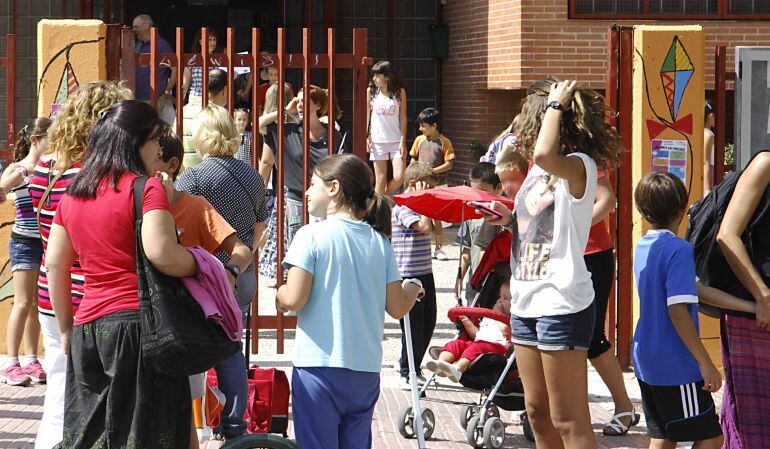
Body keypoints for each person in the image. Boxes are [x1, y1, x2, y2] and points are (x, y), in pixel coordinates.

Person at [479, 78, 621, 449]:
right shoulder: (538, 173)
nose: (525, 124)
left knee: (568, 419)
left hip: (562, 301)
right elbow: (541, 225)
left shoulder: (579, 165)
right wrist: (507, 217)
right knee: (537, 412)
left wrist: (555, 104)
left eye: (534, 116)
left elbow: (544, 154)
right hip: (527, 298)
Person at [45, 100, 194, 449]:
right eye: (156, 139)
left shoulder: (74, 192)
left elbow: (55, 263)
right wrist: (201, 262)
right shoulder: (146, 188)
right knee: (146, 431)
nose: (160, 148)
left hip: (89, 327)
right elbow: (163, 254)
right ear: (135, 142)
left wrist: (66, 328)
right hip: (141, 327)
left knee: (94, 433)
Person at [276, 154, 422, 449]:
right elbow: (396, 307)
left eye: (313, 184)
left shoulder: (310, 235)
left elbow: (294, 298)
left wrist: (280, 294)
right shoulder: (380, 242)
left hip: (318, 367)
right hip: (365, 370)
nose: (306, 191)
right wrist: (414, 288)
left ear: (333, 188)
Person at [31, 81, 132, 449]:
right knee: (78, 397)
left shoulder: (46, 166)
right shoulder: (89, 177)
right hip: (83, 294)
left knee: (59, 387)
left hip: (49, 292)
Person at [154, 131, 252, 449]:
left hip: (184, 324)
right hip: (145, 322)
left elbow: (241, 248)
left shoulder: (195, 206)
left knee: (184, 412)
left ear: (171, 165)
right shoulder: (135, 204)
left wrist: (230, 273)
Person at [175, 104, 268, 440]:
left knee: (191, 345)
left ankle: (193, 421)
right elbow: (259, 227)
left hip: (204, 274)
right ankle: (234, 427)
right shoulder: (253, 176)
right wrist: (242, 259)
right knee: (231, 347)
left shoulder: (194, 177)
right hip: (241, 273)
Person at [632, 172, 723, 449]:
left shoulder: (645, 245)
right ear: (684, 208)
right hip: (676, 364)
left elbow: (696, 289)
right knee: (711, 436)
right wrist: (705, 362)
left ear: (642, 211)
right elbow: (678, 311)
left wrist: (754, 304)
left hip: (646, 357)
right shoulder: (679, 249)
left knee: (663, 435)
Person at [716, 150, 770, 448]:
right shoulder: (765, 164)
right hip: (756, 317)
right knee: (754, 426)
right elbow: (727, 235)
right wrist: (762, 295)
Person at [261, 85, 348, 260]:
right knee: (298, 248)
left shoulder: (333, 135)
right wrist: (285, 110)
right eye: (297, 101)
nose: (300, 105)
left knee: (324, 247)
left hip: (325, 200)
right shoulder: (289, 130)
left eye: (304, 101)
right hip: (296, 198)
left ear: (317, 105)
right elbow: (259, 124)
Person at [584, 171, 638, 436]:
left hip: (590, 256)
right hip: (552, 258)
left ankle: (624, 406)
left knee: (591, 337)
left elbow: (606, 199)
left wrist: (572, 228)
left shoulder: (578, 154)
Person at [0, 117, 51, 387]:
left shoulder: (50, 168)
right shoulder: (19, 167)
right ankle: (11, 363)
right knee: (21, 302)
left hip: (45, 242)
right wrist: (19, 176)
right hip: (23, 242)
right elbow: (1, 189)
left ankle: (32, 358)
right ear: (35, 140)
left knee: (36, 303)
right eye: (50, 139)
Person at [391, 161, 437, 389]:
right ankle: (406, 369)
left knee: (429, 322)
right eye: (426, 188)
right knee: (412, 326)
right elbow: (424, 227)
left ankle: (415, 366)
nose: (429, 194)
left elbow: (436, 231)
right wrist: (425, 204)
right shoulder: (403, 208)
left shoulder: (418, 206)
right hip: (408, 275)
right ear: (413, 184)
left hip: (425, 271)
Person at [427, 275, 512, 382]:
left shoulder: (512, 321)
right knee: (456, 344)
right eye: (500, 296)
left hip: (496, 348)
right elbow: (477, 334)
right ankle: (441, 364)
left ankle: (457, 368)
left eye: (505, 298)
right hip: (478, 342)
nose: (499, 300)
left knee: (474, 349)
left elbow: (506, 333)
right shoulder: (488, 318)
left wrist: (498, 316)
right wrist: (467, 322)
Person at [410, 108, 454, 261]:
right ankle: (423, 247)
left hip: (439, 185)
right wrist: (414, 172)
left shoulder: (445, 142)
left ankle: (439, 248)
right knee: (421, 216)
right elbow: (413, 159)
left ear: (434, 125)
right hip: (420, 185)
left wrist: (431, 171)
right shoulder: (419, 140)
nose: (421, 129)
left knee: (437, 218)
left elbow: (449, 164)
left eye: (424, 126)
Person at [456, 162, 503, 305]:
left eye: (483, 191)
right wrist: (459, 279)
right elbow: (466, 252)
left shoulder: (504, 216)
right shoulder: (470, 214)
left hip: (496, 284)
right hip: (474, 283)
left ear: (499, 188)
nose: (478, 196)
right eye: (474, 191)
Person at [367, 61, 407, 194]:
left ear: (387, 76)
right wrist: (366, 136)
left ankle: (381, 198)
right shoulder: (371, 92)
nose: (374, 78)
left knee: (399, 176)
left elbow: (403, 117)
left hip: (396, 140)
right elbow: (367, 116)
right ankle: (377, 210)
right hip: (377, 140)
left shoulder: (399, 92)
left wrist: (403, 140)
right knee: (380, 179)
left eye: (377, 75)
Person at [132, 14, 177, 125]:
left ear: (146, 26)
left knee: (164, 131)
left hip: (156, 99)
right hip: (139, 97)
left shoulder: (161, 45)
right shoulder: (139, 45)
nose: (133, 30)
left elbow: (175, 69)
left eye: (135, 27)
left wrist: (166, 92)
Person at [180, 68, 228, 168]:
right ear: (225, 90)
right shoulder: (218, 116)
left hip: (183, 179)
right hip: (208, 178)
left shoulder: (182, 112)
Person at [183, 27, 219, 100]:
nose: (212, 43)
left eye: (214, 39)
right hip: (196, 99)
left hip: (214, 100)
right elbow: (185, 85)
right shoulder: (192, 60)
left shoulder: (220, 60)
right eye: (209, 39)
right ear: (200, 42)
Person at [703, 101, 716, 196]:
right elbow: (705, 161)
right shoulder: (708, 134)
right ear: (711, 116)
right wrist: (706, 189)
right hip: (708, 172)